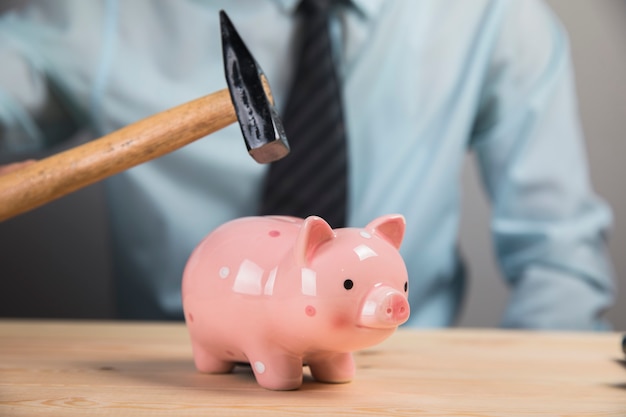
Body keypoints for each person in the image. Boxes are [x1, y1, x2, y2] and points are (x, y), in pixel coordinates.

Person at [0, 0, 616, 329]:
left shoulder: (496, 16)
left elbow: (559, 259)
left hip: (404, 371)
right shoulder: (96, 13)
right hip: (179, 376)